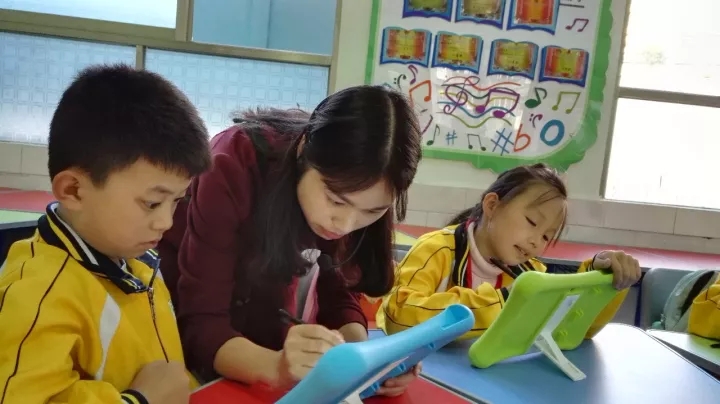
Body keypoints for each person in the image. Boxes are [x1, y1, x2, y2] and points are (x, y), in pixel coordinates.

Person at [157, 86, 423, 396]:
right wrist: (276, 367)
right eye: (336, 200)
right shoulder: (232, 162)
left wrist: (363, 363)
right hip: (177, 349)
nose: (346, 224)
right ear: (303, 151)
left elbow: (338, 293)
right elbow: (201, 323)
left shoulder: (351, 188)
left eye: (373, 211)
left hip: (254, 348)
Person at [0, 64, 211, 404]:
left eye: (177, 201)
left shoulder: (135, 260)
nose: (166, 222)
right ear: (73, 190)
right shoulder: (38, 293)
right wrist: (139, 400)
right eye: (152, 203)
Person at [377, 163, 641, 339]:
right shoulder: (437, 250)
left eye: (546, 236)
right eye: (532, 222)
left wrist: (601, 280)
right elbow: (397, 315)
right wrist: (502, 301)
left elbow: (570, 329)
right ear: (492, 205)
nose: (537, 242)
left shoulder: (531, 274)